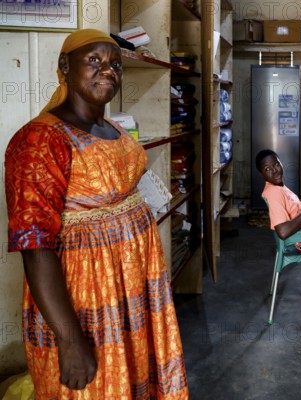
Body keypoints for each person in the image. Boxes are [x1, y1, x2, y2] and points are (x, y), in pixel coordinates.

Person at [4, 29, 188, 398]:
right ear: (64, 66)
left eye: (115, 65)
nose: (108, 71)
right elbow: (34, 245)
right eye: (94, 61)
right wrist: (70, 339)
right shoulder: (41, 141)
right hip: (86, 299)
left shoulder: (114, 129)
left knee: (134, 376)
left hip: (132, 290)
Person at [256, 149, 301, 256]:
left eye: (276, 164)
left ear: (281, 163)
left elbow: (290, 209)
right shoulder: (273, 193)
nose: (274, 170)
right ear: (262, 174)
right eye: (267, 169)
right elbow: (283, 232)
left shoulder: (278, 186)